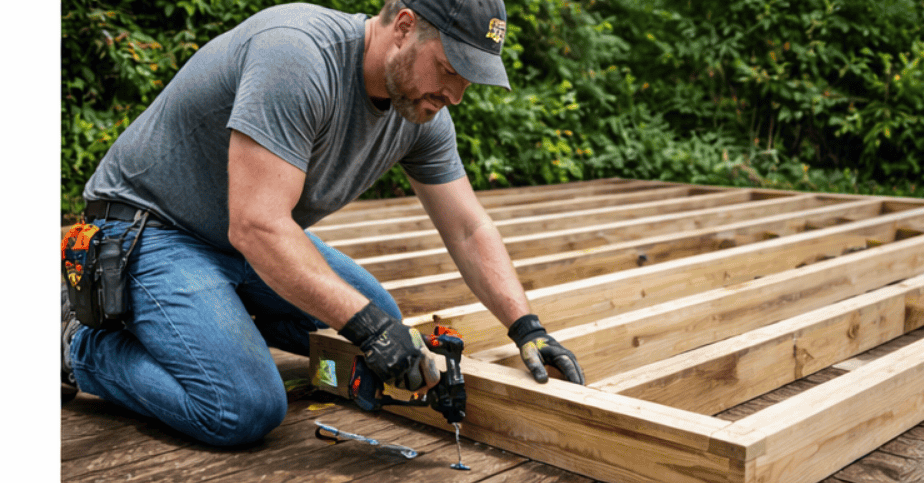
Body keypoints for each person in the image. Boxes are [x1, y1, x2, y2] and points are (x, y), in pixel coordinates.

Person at [62, 0, 584, 444]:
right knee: (242, 408)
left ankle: (213, 309)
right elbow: (258, 225)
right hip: (150, 230)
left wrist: (527, 329)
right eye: (449, 69)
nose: (455, 94)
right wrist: (369, 329)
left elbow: (468, 228)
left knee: (383, 320)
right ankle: (76, 344)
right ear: (403, 26)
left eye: (467, 80)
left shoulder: (420, 113)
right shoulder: (297, 57)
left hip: (237, 242)